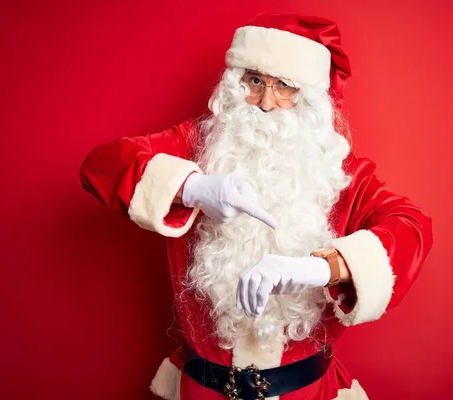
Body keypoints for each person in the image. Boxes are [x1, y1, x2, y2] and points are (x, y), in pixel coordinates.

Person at [79, 13, 433, 400]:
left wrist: (320, 267)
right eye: (255, 82)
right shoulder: (198, 144)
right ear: (235, 84)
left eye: (285, 86)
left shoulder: (338, 171)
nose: (266, 103)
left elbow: (412, 227)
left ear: (309, 99)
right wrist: (192, 187)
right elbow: (102, 165)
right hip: (203, 391)